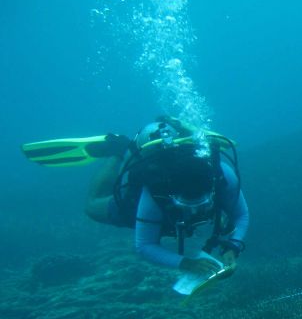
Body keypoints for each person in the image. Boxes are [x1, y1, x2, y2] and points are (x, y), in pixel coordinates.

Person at [24, 116, 249, 278]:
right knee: (92, 208)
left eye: (201, 203)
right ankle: (118, 152)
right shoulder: (154, 191)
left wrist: (233, 246)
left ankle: (180, 127)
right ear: (172, 194)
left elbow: (241, 215)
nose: (194, 210)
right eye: (186, 203)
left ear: (212, 188)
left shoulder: (222, 176)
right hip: (155, 200)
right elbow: (144, 245)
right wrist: (185, 264)